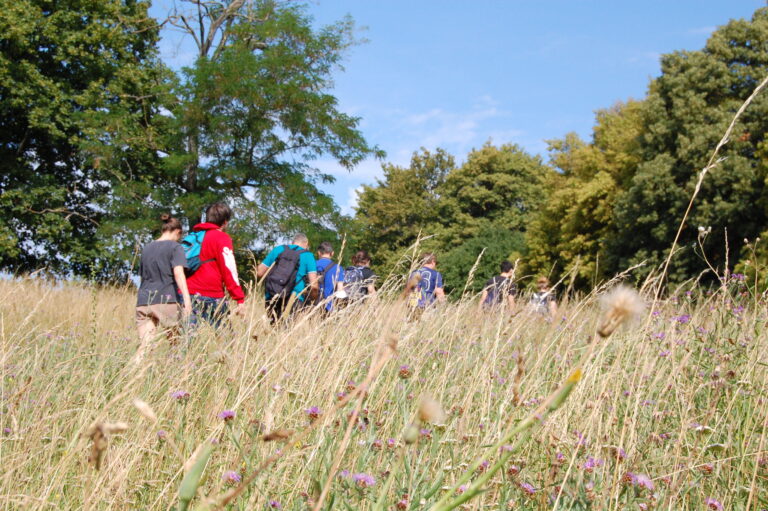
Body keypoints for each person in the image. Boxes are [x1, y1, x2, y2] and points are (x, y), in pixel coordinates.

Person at [185, 203, 246, 327]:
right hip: (211, 295)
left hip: (186, 294)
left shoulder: (193, 236)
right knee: (225, 339)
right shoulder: (222, 238)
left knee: (187, 339)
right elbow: (229, 269)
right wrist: (239, 298)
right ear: (225, 222)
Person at [135, 214, 193, 344]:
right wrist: (187, 301)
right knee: (176, 345)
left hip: (144, 301)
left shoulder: (146, 248)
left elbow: (143, 276)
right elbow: (178, 273)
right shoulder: (175, 247)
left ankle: (134, 365)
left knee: (145, 346)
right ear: (178, 232)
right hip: (167, 300)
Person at [258, 233, 318, 322]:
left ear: (292, 242)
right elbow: (314, 285)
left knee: (272, 329)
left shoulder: (278, 249)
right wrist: (313, 298)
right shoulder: (308, 255)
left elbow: (259, 272)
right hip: (294, 298)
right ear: (306, 243)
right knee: (288, 332)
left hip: (272, 295)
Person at [315, 241, 345, 313]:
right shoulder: (338, 268)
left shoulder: (313, 264)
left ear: (319, 253)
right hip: (329, 307)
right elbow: (340, 290)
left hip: (312, 305)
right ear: (332, 253)